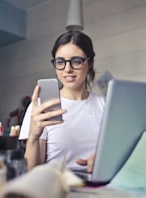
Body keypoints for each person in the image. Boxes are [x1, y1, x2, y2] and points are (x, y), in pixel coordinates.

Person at [19, 31, 105, 172]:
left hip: (98, 189)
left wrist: (104, 161)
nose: (67, 69)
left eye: (76, 61)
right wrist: (33, 137)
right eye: (60, 62)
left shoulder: (105, 105)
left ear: (89, 63)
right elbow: (32, 171)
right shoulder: (41, 107)